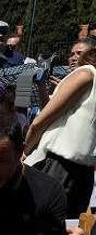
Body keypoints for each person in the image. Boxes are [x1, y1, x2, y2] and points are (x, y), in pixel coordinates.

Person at [24, 49, 96, 218]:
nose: (73, 57)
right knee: (67, 227)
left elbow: (40, 121)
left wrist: (24, 150)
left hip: (59, 164)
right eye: (71, 53)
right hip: (82, 168)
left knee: (41, 222)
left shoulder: (86, 73)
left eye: (79, 53)